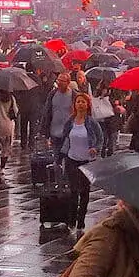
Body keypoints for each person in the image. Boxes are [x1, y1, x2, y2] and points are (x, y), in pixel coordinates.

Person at [61, 92, 106, 231]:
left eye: (83, 102)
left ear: (87, 105)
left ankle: (81, 221)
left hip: (87, 162)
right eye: (78, 102)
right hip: (71, 160)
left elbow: (100, 139)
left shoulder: (92, 122)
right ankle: (71, 221)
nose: (80, 104)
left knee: (84, 192)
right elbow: (64, 136)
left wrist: (95, 148)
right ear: (74, 104)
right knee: (73, 191)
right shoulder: (70, 121)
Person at [14, 72, 50, 147]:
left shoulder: (22, 79)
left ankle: (23, 143)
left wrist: (19, 100)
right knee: (32, 125)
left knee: (23, 125)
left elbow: (17, 93)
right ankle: (31, 143)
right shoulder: (37, 79)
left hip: (24, 106)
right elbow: (42, 92)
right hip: (34, 106)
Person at [45, 71, 76, 158]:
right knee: (57, 159)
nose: (59, 83)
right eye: (58, 80)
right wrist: (45, 133)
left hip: (69, 133)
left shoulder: (74, 95)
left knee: (68, 157)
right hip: (54, 132)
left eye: (62, 81)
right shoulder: (52, 94)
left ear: (68, 83)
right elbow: (47, 113)